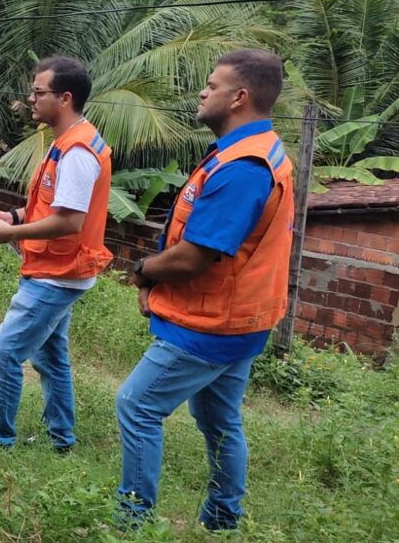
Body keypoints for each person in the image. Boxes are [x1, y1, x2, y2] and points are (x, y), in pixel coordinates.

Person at [119, 49, 294, 531]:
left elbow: (196, 255)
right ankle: (222, 521)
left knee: (136, 406)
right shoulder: (254, 150)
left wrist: (144, 270)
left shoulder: (243, 166)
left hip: (211, 325)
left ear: (239, 96)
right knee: (219, 419)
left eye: (211, 85)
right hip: (242, 318)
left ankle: (131, 522)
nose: (202, 91)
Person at [0, 57, 113, 464]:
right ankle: (61, 438)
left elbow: (69, 221)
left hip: (58, 274)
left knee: (4, 354)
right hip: (56, 269)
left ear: (65, 98)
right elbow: (53, 206)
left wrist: (10, 234)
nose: (30, 99)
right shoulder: (67, 141)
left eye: (38, 92)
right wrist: (13, 216)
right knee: (50, 357)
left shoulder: (79, 151)